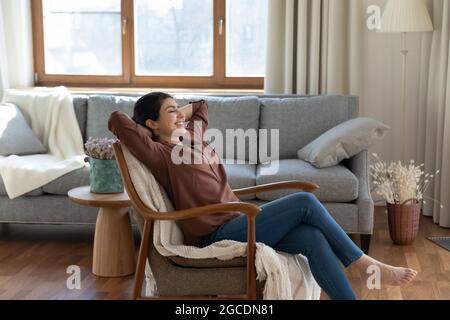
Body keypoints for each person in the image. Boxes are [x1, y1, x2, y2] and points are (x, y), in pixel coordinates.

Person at [108, 92, 418, 300]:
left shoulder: (193, 137)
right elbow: (117, 120)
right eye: (170, 111)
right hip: (216, 234)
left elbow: (201, 105)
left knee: (311, 237)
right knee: (305, 202)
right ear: (150, 124)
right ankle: (364, 264)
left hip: (237, 218)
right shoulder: (158, 153)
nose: (179, 114)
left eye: (178, 109)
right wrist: (151, 131)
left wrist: (175, 114)